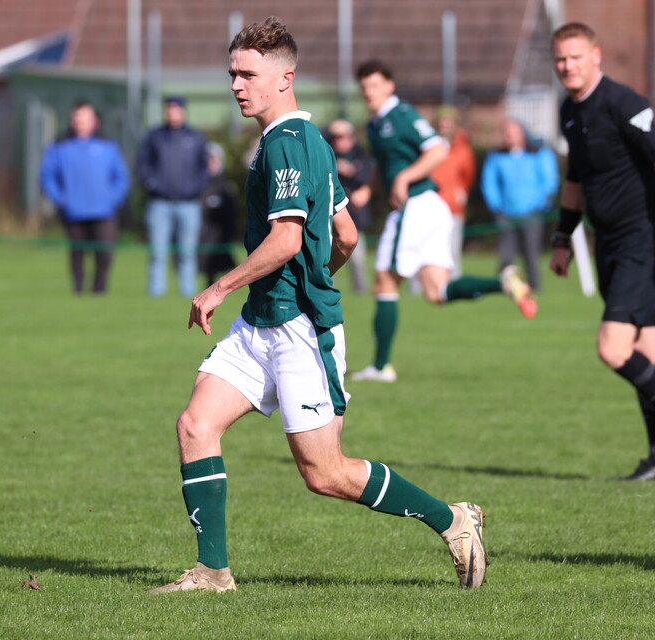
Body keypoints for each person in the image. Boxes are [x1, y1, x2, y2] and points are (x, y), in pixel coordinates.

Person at [148, 17, 487, 594]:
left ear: (286, 77)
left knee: (325, 474)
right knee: (195, 425)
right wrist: (311, 277)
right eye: (232, 72)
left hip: (300, 332)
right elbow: (347, 236)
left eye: (248, 73)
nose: (236, 84)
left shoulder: (286, 143)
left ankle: (452, 520)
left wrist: (219, 287)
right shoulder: (310, 141)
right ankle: (212, 572)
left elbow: (285, 239)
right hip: (262, 323)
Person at [350, 60, 536, 384]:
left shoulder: (402, 115)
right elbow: (385, 163)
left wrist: (405, 178)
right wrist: (369, 188)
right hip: (429, 208)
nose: (370, 92)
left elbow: (438, 150)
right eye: (365, 87)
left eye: (376, 85)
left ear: (390, 86)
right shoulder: (375, 125)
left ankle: (381, 367)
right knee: (437, 292)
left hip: (417, 206)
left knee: (385, 282)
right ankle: (504, 282)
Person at [550, 22, 655, 480]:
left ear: (596, 56)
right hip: (607, 243)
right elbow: (577, 177)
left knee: (613, 349)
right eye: (560, 59)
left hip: (642, 239)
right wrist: (562, 238)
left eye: (575, 56)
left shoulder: (622, 102)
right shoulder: (568, 111)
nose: (567, 66)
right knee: (647, 352)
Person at [40, 101, 130, 294]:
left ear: (94, 121)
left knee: (104, 255)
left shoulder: (107, 145)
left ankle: (99, 292)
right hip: (74, 212)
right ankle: (78, 292)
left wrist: (113, 199)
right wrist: (60, 199)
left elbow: (121, 177)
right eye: (77, 118)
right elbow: (47, 176)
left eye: (85, 117)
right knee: (77, 256)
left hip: (104, 212)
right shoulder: (60, 146)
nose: (80, 122)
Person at [138, 96, 210, 297]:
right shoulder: (155, 136)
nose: (172, 113)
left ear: (183, 112)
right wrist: (152, 184)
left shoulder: (195, 137)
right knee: (157, 253)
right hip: (159, 203)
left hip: (189, 204)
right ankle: (156, 294)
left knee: (187, 253)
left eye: (176, 109)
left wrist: (195, 187)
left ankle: (188, 294)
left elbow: (204, 167)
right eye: (168, 109)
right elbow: (143, 165)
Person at [482, 118, 559, 293]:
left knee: (531, 254)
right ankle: (504, 288)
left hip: (532, 213)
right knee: (506, 255)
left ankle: (534, 287)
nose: (507, 137)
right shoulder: (496, 156)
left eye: (511, 132)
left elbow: (549, 181)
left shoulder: (539, 153)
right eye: (505, 133)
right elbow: (490, 183)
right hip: (506, 213)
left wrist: (541, 204)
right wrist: (496, 207)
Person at [327, 118, 374, 292]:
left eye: (343, 136)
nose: (340, 141)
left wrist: (349, 170)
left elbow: (366, 177)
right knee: (326, 258)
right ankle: (326, 290)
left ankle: (360, 292)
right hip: (330, 217)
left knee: (356, 259)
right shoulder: (328, 152)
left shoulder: (360, 154)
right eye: (336, 137)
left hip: (354, 217)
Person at [431, 105, 476, 280]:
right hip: (430, 204)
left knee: (452, 248)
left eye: (448, 123)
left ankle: (454, 284)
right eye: (441, 123)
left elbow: (468, 176)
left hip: (452, 206)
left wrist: (461, 192)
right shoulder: (428, 147)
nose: (445, 127)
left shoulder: (463, 149)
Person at [197, 142, 238, 286]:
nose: (210, 162)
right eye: (207, 159)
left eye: (213, 159)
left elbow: (231, 213)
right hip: (202, 232)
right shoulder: (198, 184)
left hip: (220, 233)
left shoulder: (225, 185)